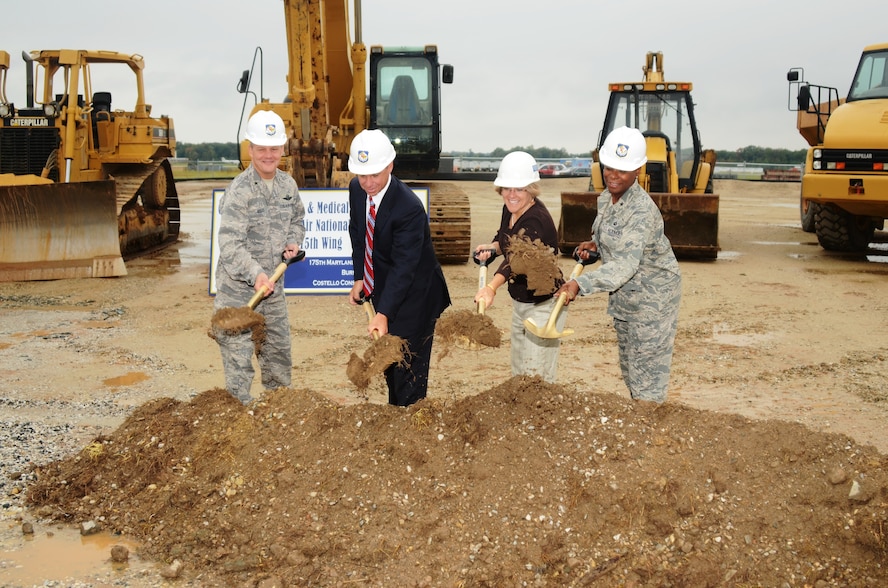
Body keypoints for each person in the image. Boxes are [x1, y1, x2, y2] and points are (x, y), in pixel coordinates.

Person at [556, 126, 682, 403]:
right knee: (629, 366)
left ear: (638, 170)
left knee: (646, 372)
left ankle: (649, 429)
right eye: (609, 167)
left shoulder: (640, 211)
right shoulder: (607, 198)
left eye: (622, 170)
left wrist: (580, 283)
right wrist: (596, 246)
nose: (613, 175)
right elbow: (613, 239)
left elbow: (625, 265)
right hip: (626, 296)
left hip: (652, 298)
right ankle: (642, 416)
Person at [347, 129, 451, 407]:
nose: (368, 182)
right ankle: (397, 415)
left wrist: (383, 313)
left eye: (375, 175)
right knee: (390, 365)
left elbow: (404, 268)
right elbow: (357, 232)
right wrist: (359, 277)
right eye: (362, 175)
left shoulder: (409, 208)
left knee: (408, 370)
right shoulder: (357, 189)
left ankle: (411, 425)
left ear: (390, 166)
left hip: (416, 297)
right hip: (386, 288)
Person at [213, 110, 305, 404]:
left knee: (278, 359)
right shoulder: (240, 191)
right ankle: (240, 424)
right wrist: (256, 275)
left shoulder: (287, 185)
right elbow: (230, 245)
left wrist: (293, 241)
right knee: (239, 368)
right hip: (239, 295)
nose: (268, 155)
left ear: (282, 150)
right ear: (250, 149)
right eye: (261, 148)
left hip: (273, 292)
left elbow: (297, 220)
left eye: (274, 148)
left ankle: (279, 416)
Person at [472, 151, 565, 383]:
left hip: (544, 305)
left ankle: (541, 419)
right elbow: (507, 238)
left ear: (531, 189)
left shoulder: (536, 220)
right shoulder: (511, 208)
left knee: (536, 378)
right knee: (519, 373)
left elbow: (517, 260)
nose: (512, 194)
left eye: (519, 189)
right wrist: (493, 247)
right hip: (521, 302)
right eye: (507, 188)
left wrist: (491, 288)